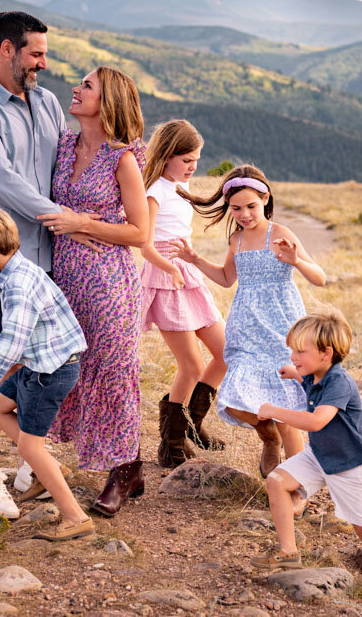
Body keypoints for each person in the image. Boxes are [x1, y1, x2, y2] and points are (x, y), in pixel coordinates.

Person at [0, 11, 97, 518]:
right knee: (1, 354)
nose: (43, 64)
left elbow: (65, 165)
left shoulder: (49, 102)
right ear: (6, 50)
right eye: (35, 54)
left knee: (35, 355)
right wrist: (67, 219)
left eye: (45, 54)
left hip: (40, 252)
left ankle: (30, 459)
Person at [38, 67, 149, 517]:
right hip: (63, 276)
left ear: (109, 102)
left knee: (112, 371)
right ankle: (129, 461)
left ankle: (122, 472)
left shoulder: (121, 158)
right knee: (71, 368)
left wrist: (83, 223)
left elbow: (141, 232)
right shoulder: (63, 144)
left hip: (108, 281)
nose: (76, 89)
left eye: (87, 86)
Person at [171, 165, 326, 478]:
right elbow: (228, 278)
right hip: (246, 331)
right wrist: (195, 260)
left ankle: (298, 482)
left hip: (282, 329)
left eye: (251, 206)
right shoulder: (237, 240)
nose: (244, 214)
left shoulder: (280, 234)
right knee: (235, 400)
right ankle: (268, 437)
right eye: (236, 208)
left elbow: (320, 278)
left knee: (285, 408)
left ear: (265, 199)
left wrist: (296, 261)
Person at [0, 207, 93, 540]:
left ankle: (76, 518)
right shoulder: (17, 271)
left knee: (30, 448)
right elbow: (27, 332)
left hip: (50, 373)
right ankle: (52, 470)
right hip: (39, 362)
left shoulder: (17, 284)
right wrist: (5, 356)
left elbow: (14, 342)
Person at [249, 310, 362, 602]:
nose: (293, 356)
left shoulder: (339, 382)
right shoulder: (316, 373)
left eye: (299, 351)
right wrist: (295, 372)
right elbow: (307, 383)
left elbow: (317, 421)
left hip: (349, 466)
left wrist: (274, 411)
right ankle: (288, 552)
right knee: (277, 480)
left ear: (326, 353)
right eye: (292, 350)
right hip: (320, 456)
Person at [140, 120, 226, 468]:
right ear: (167, 155)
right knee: (191, 365)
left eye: (196, 159)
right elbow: (144, 245)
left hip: (187, 272)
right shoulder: (154, 191)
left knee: (225, 353)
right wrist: (171, 267)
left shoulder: (179, 188)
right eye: (187, 159)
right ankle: (171, 444)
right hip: (165, 276)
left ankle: (192, 424)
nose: (193, 167)